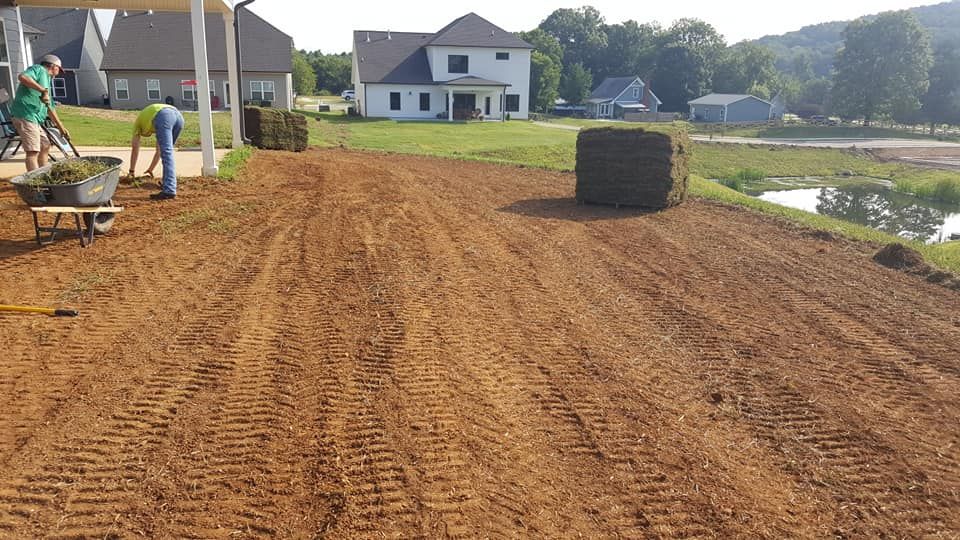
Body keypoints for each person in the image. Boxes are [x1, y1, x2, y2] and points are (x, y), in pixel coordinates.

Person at [10, 54, 70, 172]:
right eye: (59, 69)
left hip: (34, 118)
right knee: (32, 151)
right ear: (53, 67)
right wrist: (42, 90)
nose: (58, 73)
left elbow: (50, 109)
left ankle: (44, 173)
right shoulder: (38, 69)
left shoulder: (47, 82)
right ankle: (35, 183)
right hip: (25, 114)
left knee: (45, 145)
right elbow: (22, 77)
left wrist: (61, 128)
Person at [128, 103, 184, 200]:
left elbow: (135, 149)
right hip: (178, 116)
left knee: (167, 153)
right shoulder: (152, 122)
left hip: (163, 115)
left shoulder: (137, 124)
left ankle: (169, 190)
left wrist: (131, 171)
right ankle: (167, 183)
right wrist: (150, 169)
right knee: (167, 152)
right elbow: (159, 151)